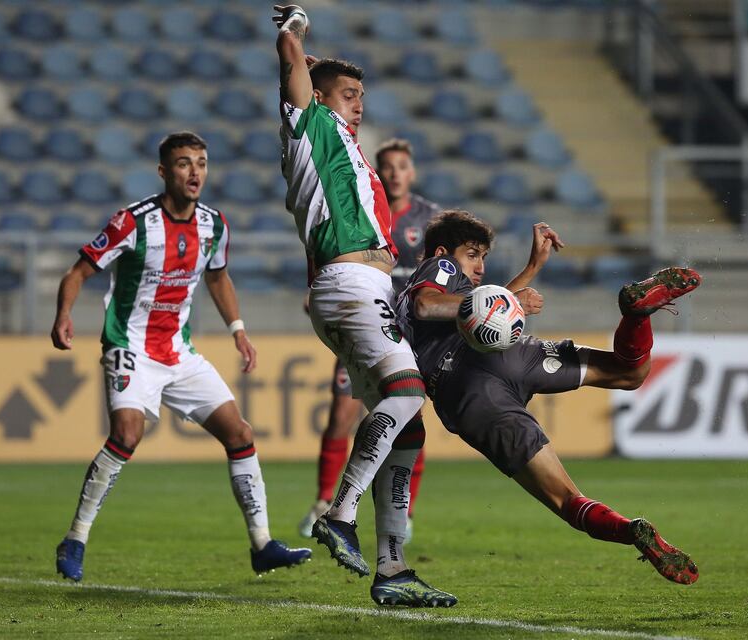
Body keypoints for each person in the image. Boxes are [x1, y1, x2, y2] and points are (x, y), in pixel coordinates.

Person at [50, 131, 311, 582]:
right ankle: (75, 538)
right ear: (164, 171)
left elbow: (218, 277)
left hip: (178, 352)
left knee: (240, 434)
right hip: (130, 345)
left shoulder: (214, 224)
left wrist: (238, 330)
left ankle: (262, 544)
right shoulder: (132, 222)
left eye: (202, 163)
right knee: (127, 434)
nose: (195, 172)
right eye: (184, 163)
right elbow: (78, 272)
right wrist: (63, 315)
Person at [395, 210, 701, 586]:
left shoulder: (435, 291)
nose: (480, 267)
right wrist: (510, 299)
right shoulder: (438, 266)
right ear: (443, 252)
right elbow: (428, 304)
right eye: (472, 255)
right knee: (628, 372)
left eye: (484, 257)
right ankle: (636, 316)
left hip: (471, 390)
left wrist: (531, 269)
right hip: (500, 359)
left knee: (566, 499)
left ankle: (630, 529)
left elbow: (471, 313)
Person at [274, 5, 456, 607]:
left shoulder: (353, 155)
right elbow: (290, 62)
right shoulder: (311, 127)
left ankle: (393, 569)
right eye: (348, 95)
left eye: (362, 97)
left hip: (366, 289)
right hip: (350, 284)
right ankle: (340, 513)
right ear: (320, 97)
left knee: (408, 427)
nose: (359, 105)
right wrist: (295, 26)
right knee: (407, 394)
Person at [297, 138, 440, 544]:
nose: (395, 174)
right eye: (387, 167)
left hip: (406, 333)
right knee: (341, 416)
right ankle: (323, 502)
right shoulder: (361, 209)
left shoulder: (429, 220)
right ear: (376, 171)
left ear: (412, 172)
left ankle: (404, 511)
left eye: (402, 166)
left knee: (411, 415)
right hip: (363, 323)